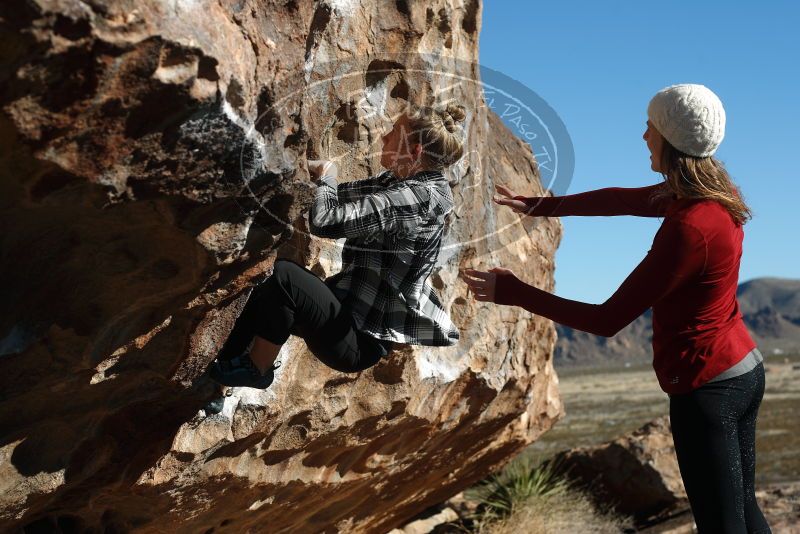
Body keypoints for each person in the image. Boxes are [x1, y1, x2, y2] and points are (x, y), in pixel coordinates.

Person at [461, 84, 771, 533]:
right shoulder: (710, 197)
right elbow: (619, 200)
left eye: (651, 128)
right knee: (742, 510)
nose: (644, 136)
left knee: (722, 524)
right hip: (742, 370)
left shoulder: (689, 228)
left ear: (672, 139)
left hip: (708, 387)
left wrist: (515, 291)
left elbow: (607, 321)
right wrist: (539, 206)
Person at [207, 103, 464, 394]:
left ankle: (257, 370)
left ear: (415, 151)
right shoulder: (399, 181)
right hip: (345, 312)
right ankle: (220, 376)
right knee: (262, 288)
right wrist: (305, 174)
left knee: (283, 277)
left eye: (393, 133)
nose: (383, 137)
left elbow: (326, 221)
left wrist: (328, 175)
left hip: (356, 339)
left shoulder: (417, 198)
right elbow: (340, 202)